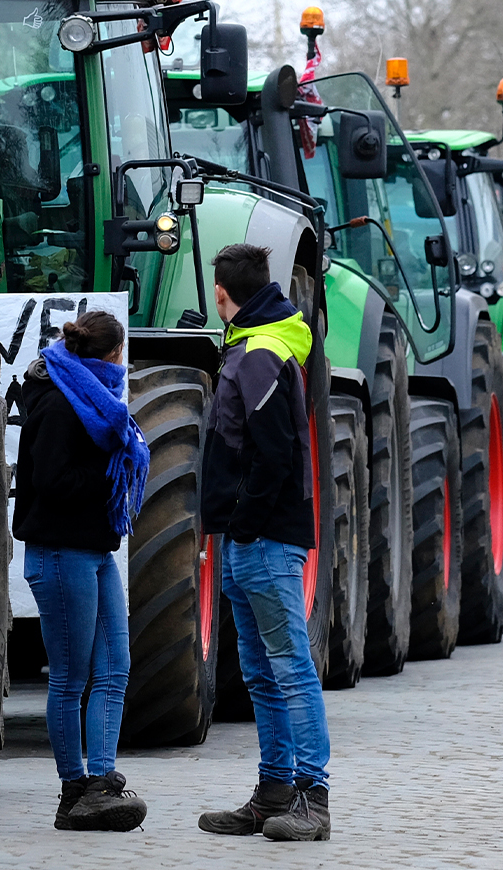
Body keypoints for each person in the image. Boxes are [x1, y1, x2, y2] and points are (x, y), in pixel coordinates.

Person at [195, 244, 329, 843]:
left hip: (266, 540)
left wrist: (244, 523)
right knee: (261, 671)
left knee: (290, 669)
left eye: (213, 288)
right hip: (247, 539)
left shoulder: (260, 355)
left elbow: (275, 454)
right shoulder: (251, 347)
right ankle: (273, 791)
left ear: (222, 292)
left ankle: (311, 798)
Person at [12, 310, 150, 831]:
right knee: (70, 678)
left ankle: (102, 782)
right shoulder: (57, 401)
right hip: (58, 551)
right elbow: (51, 481)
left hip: (94, 549)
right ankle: (74, 792)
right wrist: (112, 469)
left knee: (115, 667)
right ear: (115, 355)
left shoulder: (96, 400)